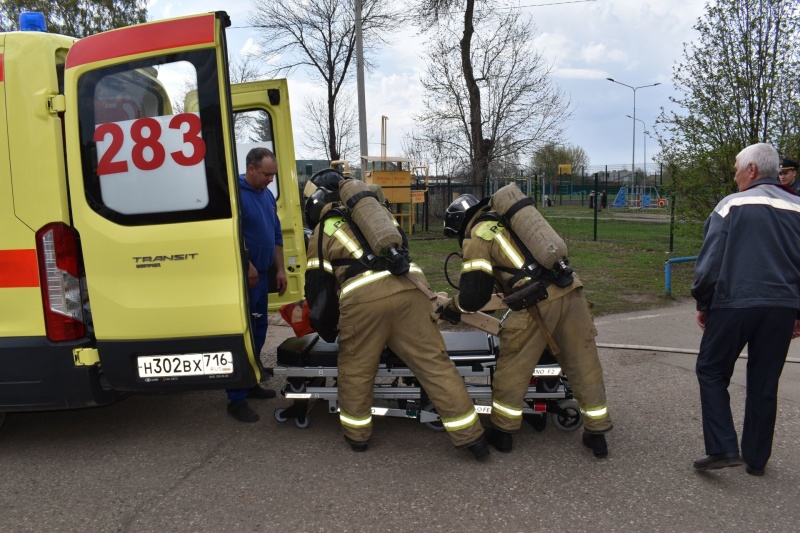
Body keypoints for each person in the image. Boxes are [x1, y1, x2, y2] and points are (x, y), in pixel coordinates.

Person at [303, 169, 489, 461]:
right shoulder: (379, 214)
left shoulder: (322, 230)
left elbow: (318, 288)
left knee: (356, 370)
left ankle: (358, 437)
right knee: (435, 365)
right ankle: (473, 438)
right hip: (411, 290)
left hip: (363, 302)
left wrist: (328, 329)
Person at [443, 190, 612, 457]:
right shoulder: (511, 220)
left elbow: (474, 296)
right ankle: (597, 433)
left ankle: (503, 433)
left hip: (536, 303)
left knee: (513, 368)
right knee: (584, 364)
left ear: (460, 222)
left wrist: (453, 308)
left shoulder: (479, 234)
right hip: (572, 292)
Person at [692, 143, 800, 476]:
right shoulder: (798, 207)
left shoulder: (730, 206)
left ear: (751, 169)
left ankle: (723, 447)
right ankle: (756, 458)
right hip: (782, 306)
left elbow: (710, 263)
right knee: (765, 381)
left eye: (738, 167)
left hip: (735, 302)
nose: (735, 173)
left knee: (711, 370)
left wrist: (703, 302)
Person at [226, 147, 287, 423]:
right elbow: (230, 235)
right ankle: (235, 398)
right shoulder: (235, 196)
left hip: (262, 277)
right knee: (244, 334)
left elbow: (276, 235)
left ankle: (250, 381)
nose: (270, 180)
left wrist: (281, 269)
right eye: (266, 174)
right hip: (244, 277)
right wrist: (247, 263)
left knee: (259, 329)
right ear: (251, 169)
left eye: (273, 174)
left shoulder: (267, 197)